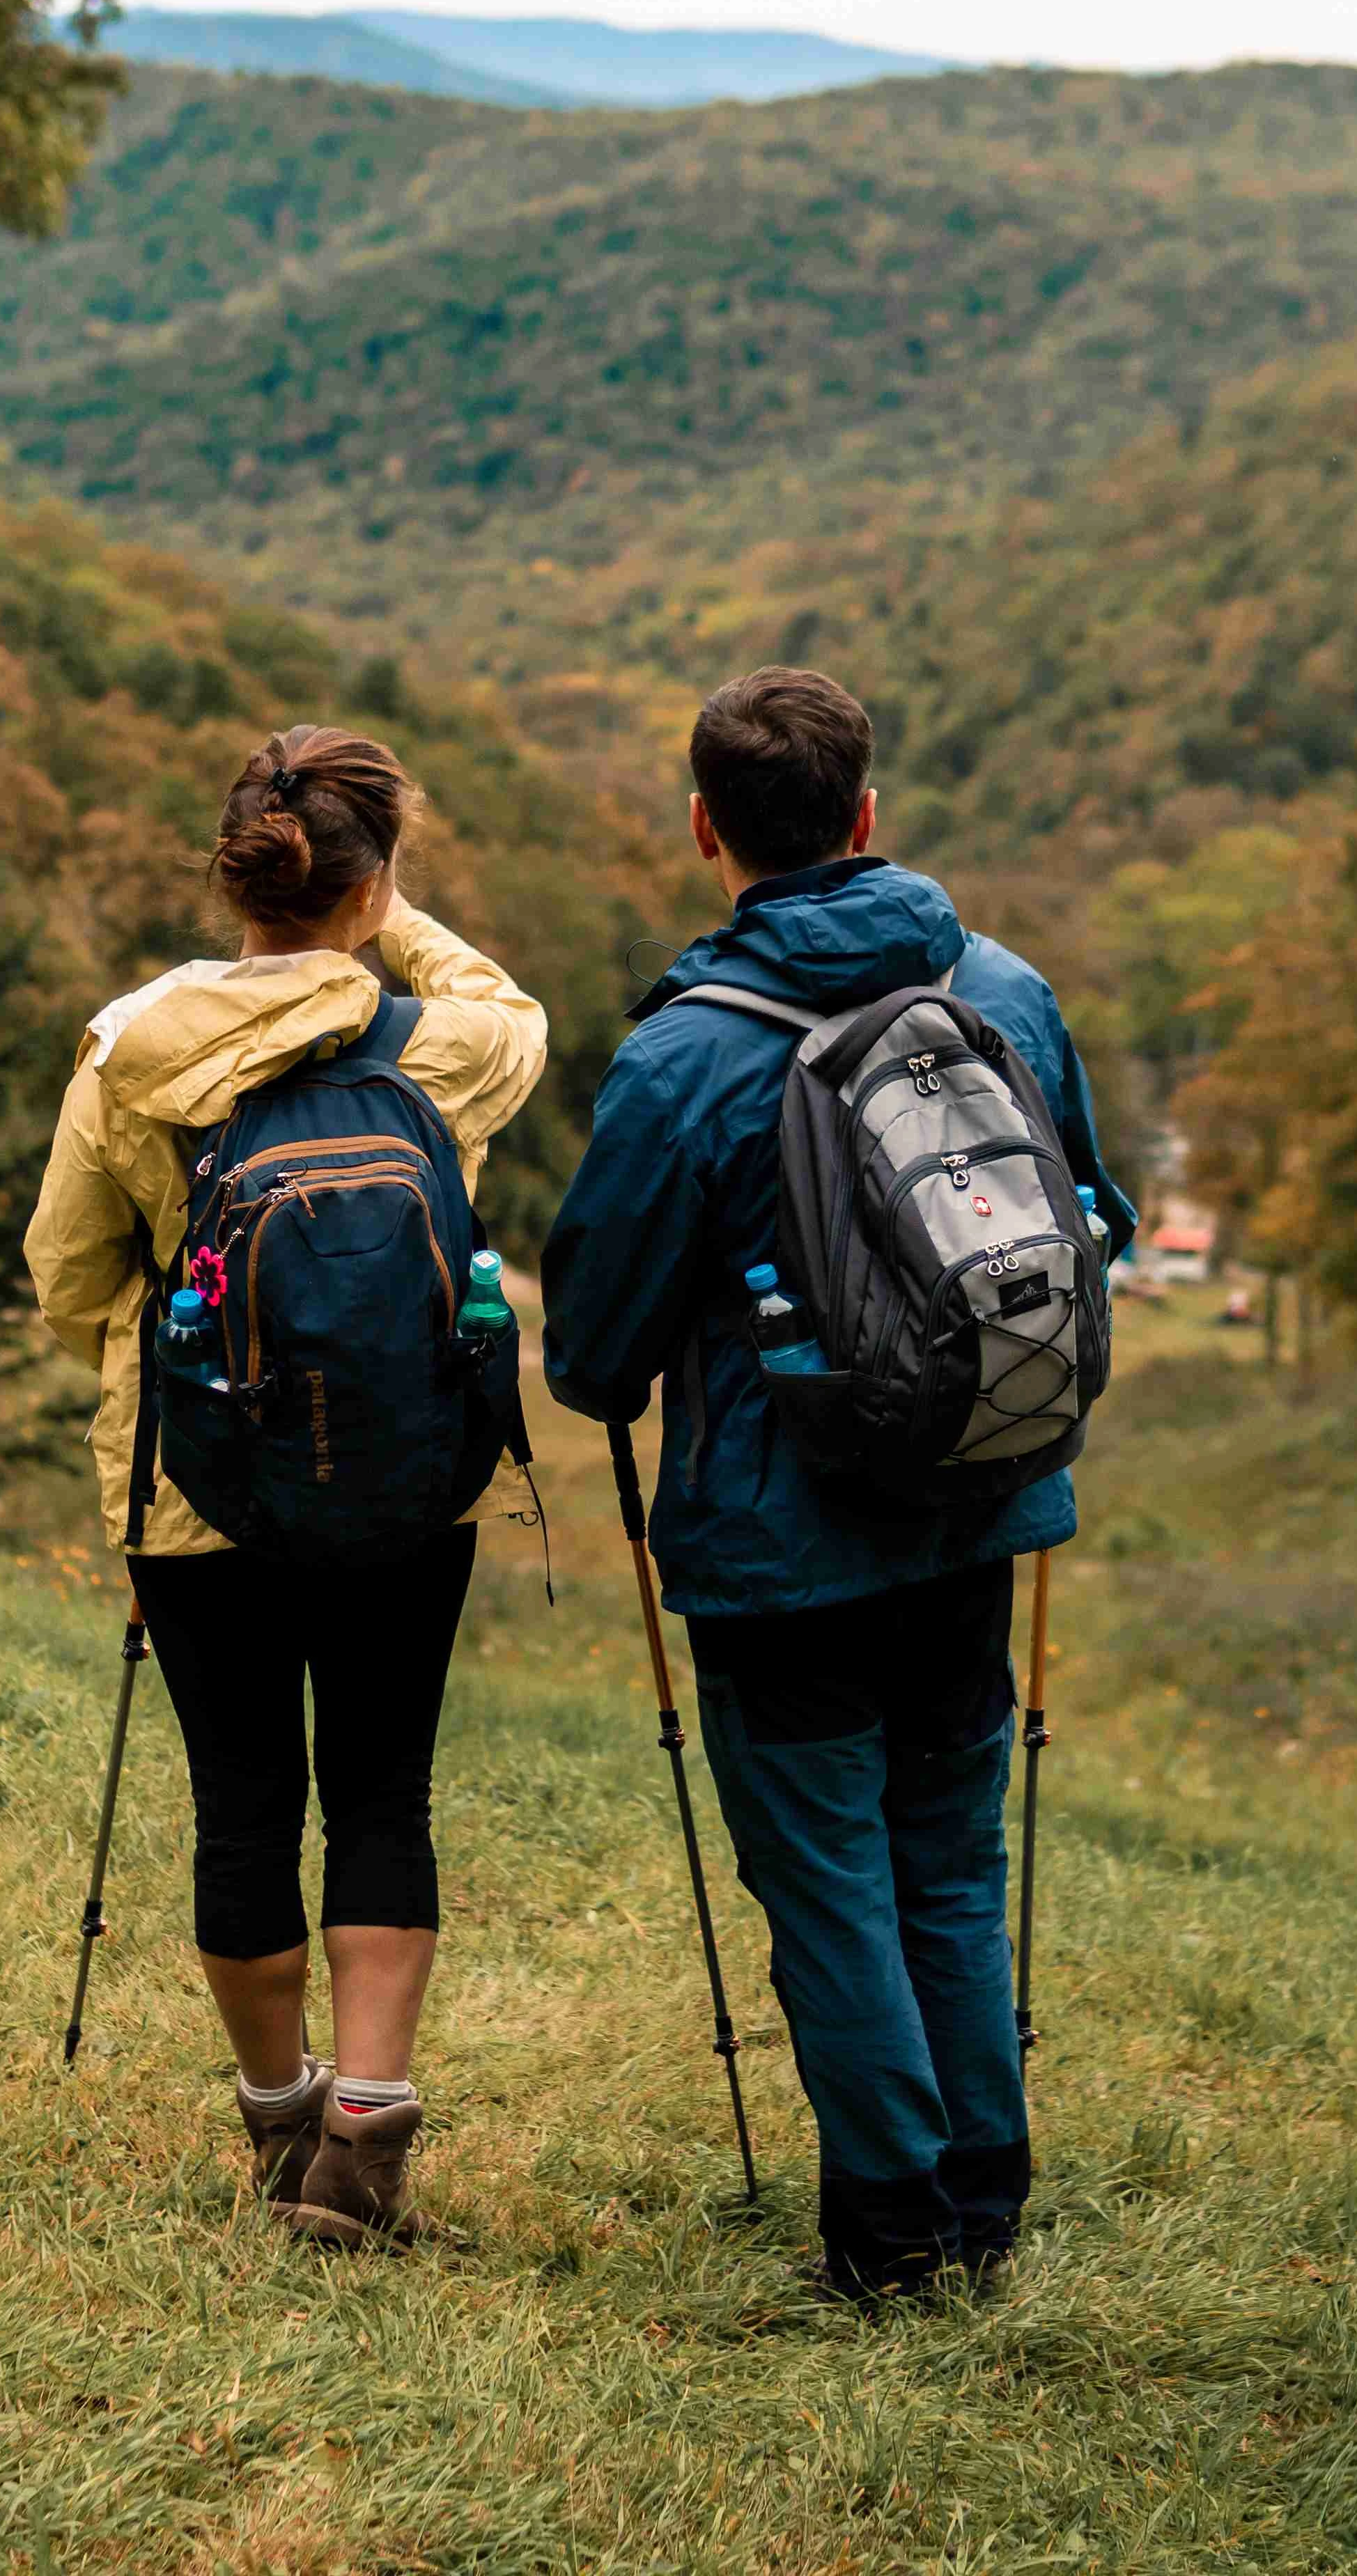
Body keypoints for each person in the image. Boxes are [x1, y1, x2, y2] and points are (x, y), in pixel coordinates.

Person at [537, 665, 1137, 2301]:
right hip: (979, 1501)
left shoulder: (681, 1058)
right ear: (868, 815)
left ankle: (891, 2236)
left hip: (777, 1543)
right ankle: (987, 2196)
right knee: (946, 1849)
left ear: (704, 831)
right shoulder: (1000, 989)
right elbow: (1100, 1221)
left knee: (828, 1876)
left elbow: (591, 1349)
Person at [23, 724, 547, 2244]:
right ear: (372, 886)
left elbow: (66, 1275)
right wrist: (384, 916)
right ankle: (371, 2127)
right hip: (407, 1474)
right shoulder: (437, 1048)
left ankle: (277, 2120)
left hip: (199, 1488)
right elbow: (506, 1004)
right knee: (384, 1783)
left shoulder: (132, 1048)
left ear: (237, 873)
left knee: (242, 1801)